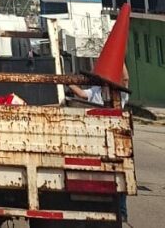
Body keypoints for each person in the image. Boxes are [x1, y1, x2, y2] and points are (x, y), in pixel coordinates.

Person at [68, 65, 130, 224]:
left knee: (118, 172)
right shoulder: (96, 90)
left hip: (114, 135)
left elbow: (125, 79)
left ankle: (121, 210)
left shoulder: (119, 93)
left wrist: (120, 61)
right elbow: (81, 93)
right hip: (96, 136)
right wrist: (67, 80)